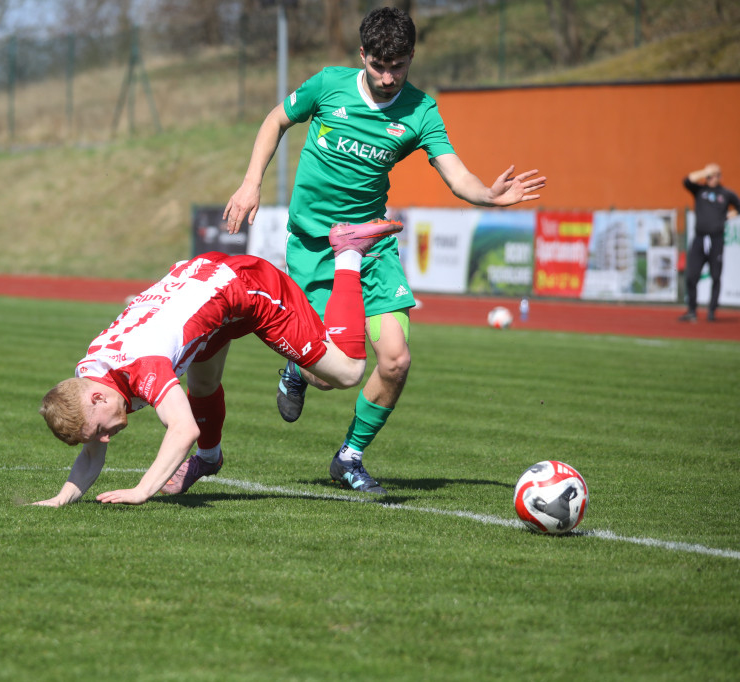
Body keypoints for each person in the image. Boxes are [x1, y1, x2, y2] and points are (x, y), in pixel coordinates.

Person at [223, 7, 546, 495]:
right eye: (378, 65)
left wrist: (489, 195)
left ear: (412, 57)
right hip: (314, 249)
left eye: (398, 65)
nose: (388, 76)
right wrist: (251, 185)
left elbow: (455, 173)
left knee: (395, 360)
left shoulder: (420, 111)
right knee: (330, 375)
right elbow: (275, 120)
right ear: (362, 56)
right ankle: (297, 368)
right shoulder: (329, 85)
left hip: (371, 247)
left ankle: (350, 456)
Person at [33, 220, 401, 507]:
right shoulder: (90, 375)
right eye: (98, 434)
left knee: (348, 371)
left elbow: (183, 430)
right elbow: (92, 451)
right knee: (203, 386)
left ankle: (348, 252)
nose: (106, 438)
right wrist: (61, 498)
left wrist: (143, 489)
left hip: (248, 290)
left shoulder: (141, 366)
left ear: (98, 399)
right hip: (204, 289)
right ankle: (209, 460)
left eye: (101, 430)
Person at [679, 163, 739, 322]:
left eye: (715, 175)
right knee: (692, 275)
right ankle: (692, 310)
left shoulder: (726, 194)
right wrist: (705, 171)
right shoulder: (700, 190)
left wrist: (728, 216)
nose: (712, 178)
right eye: (709, 176)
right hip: (699, 239)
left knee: (715, 276)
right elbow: (686, 181)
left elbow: (738, 207)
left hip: (716, 240)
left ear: (720, 177)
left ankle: (711, 311)